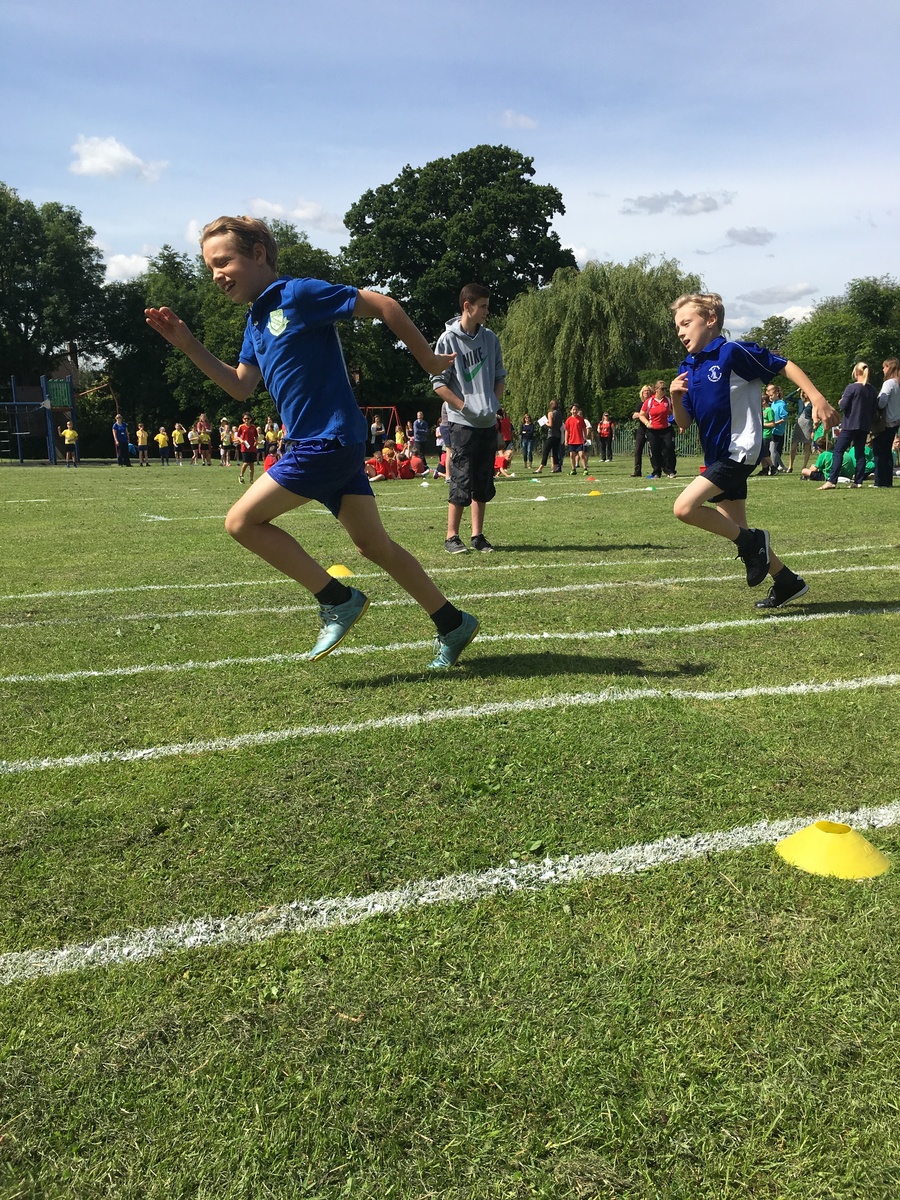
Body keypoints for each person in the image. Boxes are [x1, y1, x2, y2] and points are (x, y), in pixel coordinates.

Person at [145, 213, 478, 670]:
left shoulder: (296, 294)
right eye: (210, 268)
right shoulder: (256, 320)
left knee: (241, 522)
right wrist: (187, 343)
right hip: (322, 445)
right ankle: (451, 621)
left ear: (258, 254)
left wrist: (426, 359)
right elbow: (240, 385)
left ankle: (337, 598)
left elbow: (384, 305)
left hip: (326, 442)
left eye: (224, 262)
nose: (217, 275)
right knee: (374, 546)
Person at [669, 292, 837, 610]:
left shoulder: (731, 352)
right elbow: (683, 423)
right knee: (738, 528)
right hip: (717, 455)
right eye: (677, 327)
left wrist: (816, 398)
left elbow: (783, 364)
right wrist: (676, 398)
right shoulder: (688, 367)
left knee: (684, 508)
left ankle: (752, 542)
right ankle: (787, 581)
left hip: (739, 450)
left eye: (686, 323)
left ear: (711, 320)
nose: (680, 332)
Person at [431, 282, 507, 554]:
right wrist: (463, 407)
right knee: (461, 479)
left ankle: (478, 536)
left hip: (488, 422)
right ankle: (452, 537)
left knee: (483, 480)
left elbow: (500, 376)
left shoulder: (490, 339)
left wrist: (493, 404)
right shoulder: (447, 340)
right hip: (462, 424)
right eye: (484, 306)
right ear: (468, 306)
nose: (488, 311)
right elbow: (438, 383)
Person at [818, 363, 877, 490]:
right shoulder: (872, 390)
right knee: (860, 453)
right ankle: (858, 481)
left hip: (850, 424)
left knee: (838, 451)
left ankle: (832, 480)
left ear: (856, 373)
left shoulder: (852, 388)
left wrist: (840, 401)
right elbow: (874, 409)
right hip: (864, 425)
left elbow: (843, 406)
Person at [872, 358, 900, 488]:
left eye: (884, 367)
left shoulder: (889, 383)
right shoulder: (898, 383)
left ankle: (879, 481)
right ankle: (887, 481)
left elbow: (882, 401)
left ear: (889, 367)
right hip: (896, 421)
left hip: (886, 421)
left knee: (878, 451)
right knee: (888, 452)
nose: (883, 369)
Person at [639, 380, 675, 479]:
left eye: (665, 389)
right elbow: (641, 415)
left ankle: (670, 471)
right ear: (656, 390)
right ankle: (656, 472)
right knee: (654, 450)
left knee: (668, 448)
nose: (664, 391)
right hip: (653, 430)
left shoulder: (667, 400)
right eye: (662, 389)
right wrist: (647, 423)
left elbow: (673, 412)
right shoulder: (649, 401)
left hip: (666, 429)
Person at [788, 389, 815, 473]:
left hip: (807, 424)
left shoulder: (812, 403)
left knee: (807, 446)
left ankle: (804, 466)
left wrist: (813, 430)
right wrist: (797, 390)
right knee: (793, 446)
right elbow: (788, 397)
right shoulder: (800, 401)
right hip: (799, 424)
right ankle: (790, 466)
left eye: (805, 392)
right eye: (803, 393)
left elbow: (814, 416)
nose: (804, 394)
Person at [763, 384, 788, 473]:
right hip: (771, 430)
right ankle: (782, 466)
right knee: (772, 450)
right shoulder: (773, 404)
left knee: (772, 450)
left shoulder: (781, 404)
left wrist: (774, 424)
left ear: (777, 394)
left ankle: (774, 468)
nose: (770, 397)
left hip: (777, 430)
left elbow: (784, 418)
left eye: (771, 395)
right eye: (769, 395)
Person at [535, 399, 563, 473]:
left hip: (552, 435)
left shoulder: (550, 413)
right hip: (558, 434)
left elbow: (550, 425)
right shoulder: (559, 413)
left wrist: (545, 422)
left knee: (546, 451)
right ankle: (556, 468)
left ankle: (540, 468)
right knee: (555, 451)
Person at [631, 385, 652, 476]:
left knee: (652, 451)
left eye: (648, 391)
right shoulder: (640, 404)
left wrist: (641, 415)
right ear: (642, 394)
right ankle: (637, 471)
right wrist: (642, 414)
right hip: (642, 429)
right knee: (637, 450)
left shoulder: (653, 403)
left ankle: (656, 470)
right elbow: (634, 416)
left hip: (651, 429)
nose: (646, 393)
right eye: (644, 391)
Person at [564, 404, 588, 475]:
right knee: (571, 455)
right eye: (573, 409)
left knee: (581, 455)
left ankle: (585, 469)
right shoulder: (568, 420)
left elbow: (584, 429)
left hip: (579, 440)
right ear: (571, 411)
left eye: (576, 409)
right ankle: (573, 469)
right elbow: (567, 431)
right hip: (571, 441)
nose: (575, 411)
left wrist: (585, 437)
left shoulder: (581, 419)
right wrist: (566, 440)